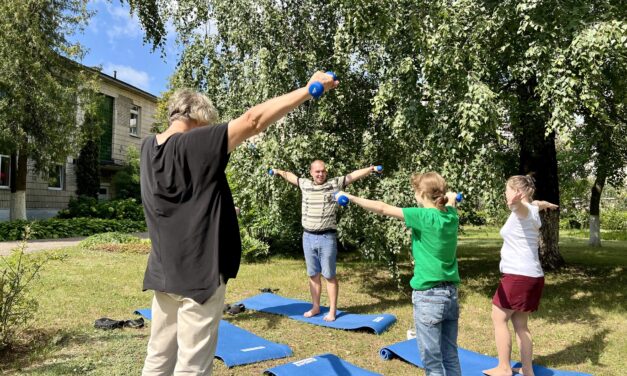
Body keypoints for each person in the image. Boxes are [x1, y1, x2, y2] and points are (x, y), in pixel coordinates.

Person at [139, 72, 338, 376]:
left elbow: (176, 198)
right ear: (198, 118)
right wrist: (308, 90)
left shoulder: (147, 148)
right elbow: (253, 120)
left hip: (164, 272)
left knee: (158, 358)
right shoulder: (195, 141)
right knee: (192, 367)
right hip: (198, 276)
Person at [336, 171, 461, 376]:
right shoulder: (451, 215)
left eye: (415, 192)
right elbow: (451, 202)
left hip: (429, 296)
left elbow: (383, 208)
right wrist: (452, 197)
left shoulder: (422, 216)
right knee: (450, 355)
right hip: (451, 295)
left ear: (421, 194)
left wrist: (351, 197)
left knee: (432, 361)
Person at [271, 161, 382, 321]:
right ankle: (316, 307)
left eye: (323, 171)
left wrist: (370, 169)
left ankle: (332, 311)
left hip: (326, 237)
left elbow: (352, 176)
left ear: (326, 172)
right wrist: (278, 171)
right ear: (311, 172)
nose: (320, 174)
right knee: (313, 274)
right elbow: (291, 177)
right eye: (317, 172)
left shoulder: (333, 184)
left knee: (329, 276)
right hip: (307, 237)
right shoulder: (305, 184)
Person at [483, 175, 558, 376]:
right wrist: (547, 204)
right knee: (520, 324)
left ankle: (504, 368)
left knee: (498, 317)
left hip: (518, 276)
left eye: (507, 189)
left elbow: (523, 208)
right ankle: (527, 370)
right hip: (533, 275)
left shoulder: (523, 211)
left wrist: (515, 203)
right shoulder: (534, 209)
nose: (505, 193)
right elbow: (536, 204)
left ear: (518, 192)